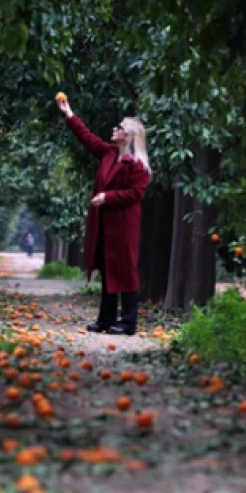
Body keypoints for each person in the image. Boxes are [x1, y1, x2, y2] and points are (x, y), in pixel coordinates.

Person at [56, 94, 151, 335]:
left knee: (126, 270)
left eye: (118, 127)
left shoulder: (137, 165)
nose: (114, 129)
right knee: (108, 269)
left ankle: (129, 321)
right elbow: (87, 138)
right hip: (104, 223)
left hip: (123, 224)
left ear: (128, 135)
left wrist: (108, 197)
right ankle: (106, 318)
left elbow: (135, 193)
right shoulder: (109, 154)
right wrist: (69, 113)